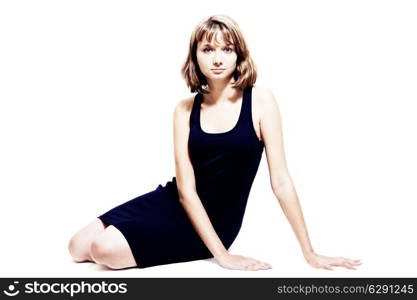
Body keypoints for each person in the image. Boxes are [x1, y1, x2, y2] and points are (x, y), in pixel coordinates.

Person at [68, 14, 362, 271]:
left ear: (239, 55)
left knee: (102, 251)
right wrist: (220, 256)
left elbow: (281, 181)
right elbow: (185, 190)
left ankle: (151, 242)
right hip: (177, 200)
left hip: (218, 221)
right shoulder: (184, 109)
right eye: (208, 49)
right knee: (78, 247)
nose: (218, 58)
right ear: (195, 55)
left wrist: (307, 251)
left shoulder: (261, 101)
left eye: (227, 49)